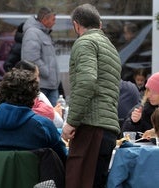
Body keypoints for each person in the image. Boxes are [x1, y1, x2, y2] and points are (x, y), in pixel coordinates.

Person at [62, 4, 121, 188]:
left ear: (76, 25)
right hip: (108, 128)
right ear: (100, 24)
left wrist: (71, 122)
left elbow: (87, 82)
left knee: (79, 183)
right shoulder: (111, 48)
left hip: (91, 128)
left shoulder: (85, 42)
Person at [0, 68, 67, 163]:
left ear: (0, 94)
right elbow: (62, 157)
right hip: (35, 178)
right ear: (33, 98)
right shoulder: (43, 125)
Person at [0, 60, 64, 128]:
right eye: (36, 76)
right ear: (29, 78)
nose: (38, 80)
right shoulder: (38, 96)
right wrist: (54, 113)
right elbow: (58, 122)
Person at [21, 7, 60, 106]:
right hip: (41, 86)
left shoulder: (43, 33)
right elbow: (30, 59)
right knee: (46, 117)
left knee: (55, 118)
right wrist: (47, 72)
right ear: (44, 19)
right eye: (53, 19)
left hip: (49, 85)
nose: (55, 22)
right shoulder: (32, 33)